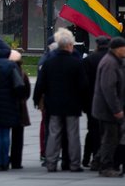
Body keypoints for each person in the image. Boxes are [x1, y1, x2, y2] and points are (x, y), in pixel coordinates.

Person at [33, 27, 88, 172]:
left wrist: (36, 99)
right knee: (73, 134)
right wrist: (84, 102)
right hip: (72, 104)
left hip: (54, 103)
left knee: (54, 133)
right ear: (69, 45)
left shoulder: (49, 62)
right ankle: (74, 164)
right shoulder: (76, 63)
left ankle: (51, 162)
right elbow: (83, 85)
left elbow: (41, 84)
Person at [0, 38, 25, 171]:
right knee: (5, 133)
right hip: (9, 102)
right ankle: (5, 160)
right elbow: (19, 84)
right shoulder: (11, 65)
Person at [91, 36, 125, 177]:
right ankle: (105, 166)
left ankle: (99, 161)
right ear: (118, 49)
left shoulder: (115, 61)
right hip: (107, 110)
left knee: (113, 137)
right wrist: (116, 109)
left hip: (108, 108)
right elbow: (108, 89)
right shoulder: (110, 63)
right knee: (110, 139)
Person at [82, 35, 110, 169]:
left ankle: (88, 157)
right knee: (108, 131)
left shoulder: (88, 60)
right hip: (108, 101)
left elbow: (83, 82)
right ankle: (102, 158)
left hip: (91, 100)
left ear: (97, 45)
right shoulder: (111, 60)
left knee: (92, 130)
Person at [9, 49, 31, 170]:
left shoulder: (6, 71)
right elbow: (27, 92)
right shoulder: (23, 74)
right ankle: (16, 161)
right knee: (18, 136)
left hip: (7, 106)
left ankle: (3, 158)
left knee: (4, 133)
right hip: (20, 107)